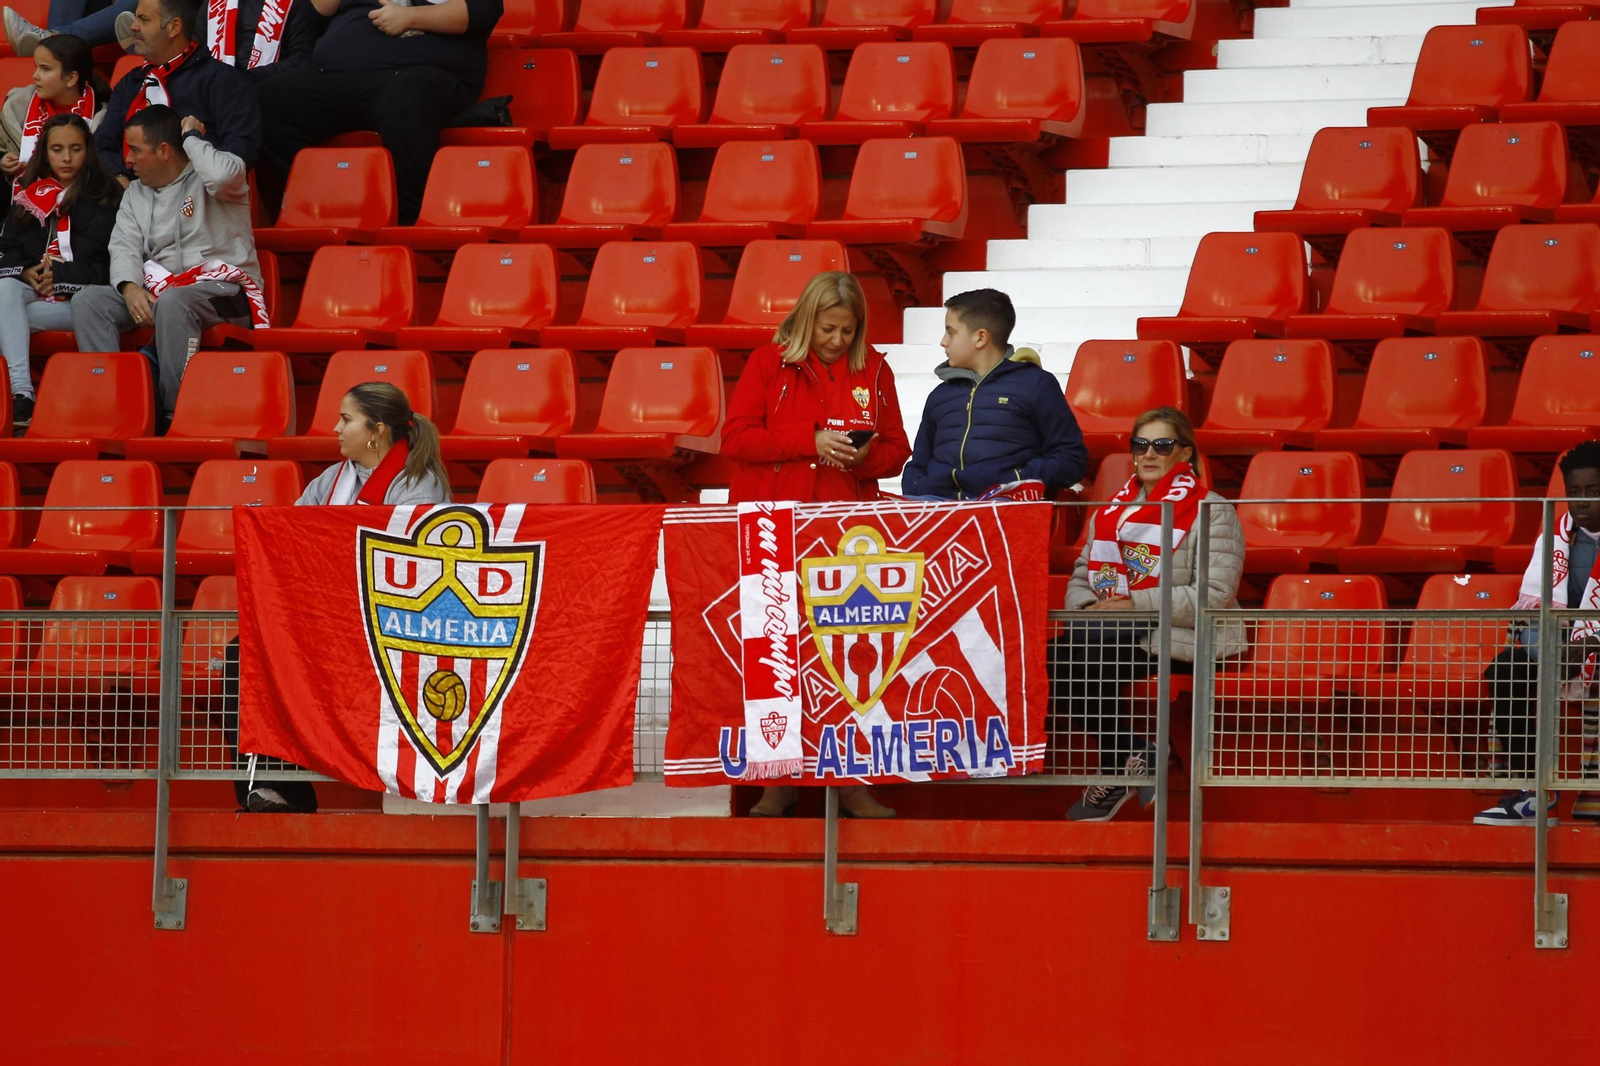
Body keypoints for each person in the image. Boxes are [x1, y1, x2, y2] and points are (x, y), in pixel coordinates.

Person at [722, 270, 911, 820]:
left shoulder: (874, 369)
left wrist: (862, 457)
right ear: (808, 320)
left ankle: (851, 784)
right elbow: (735, 438)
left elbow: (898, 450)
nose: (838, 341)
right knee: (776, 659)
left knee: (852, 656)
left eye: (848, 331)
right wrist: (808, 441)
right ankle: (777, 783)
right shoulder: (767, 362)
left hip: (847, 533)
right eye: (829, 328)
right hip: (774, 527)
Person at [223, 381, 452, 811]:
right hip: (329, 622)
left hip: (392, 633)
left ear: (377, 430)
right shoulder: (330, 480)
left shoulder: (419, 487)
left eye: (346, 420)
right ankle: (272, 792)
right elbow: (290, 543)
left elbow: (416, 571)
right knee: (247, 655)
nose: (335, 428)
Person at [1054, 407, 1246, 822]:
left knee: (1087, 654)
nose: (1149, 454)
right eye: (1140, 445)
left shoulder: (1212, 510)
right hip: (1113, 630)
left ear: (1185, 454)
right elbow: (1081, 577)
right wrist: (1091, 607)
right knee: (1054, 660)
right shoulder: (1111, 512)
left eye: (1162, 445)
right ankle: (1132, 755)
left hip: (1181, 632)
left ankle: (1117, 767)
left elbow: (1213, 596)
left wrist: (1136, 604)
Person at [71, 104, 264, 426]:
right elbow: (123, 245)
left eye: (134, 150)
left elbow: (222, 174)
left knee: (173, 303)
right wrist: (129, 287)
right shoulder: (136, 194)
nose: (127, 160)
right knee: (89, 302)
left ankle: (175, 414)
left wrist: (190, 138)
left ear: (164, 150)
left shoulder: (214, 178)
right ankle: (114, 407)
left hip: (226, 291)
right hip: (162, 291)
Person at [255, 0, 503, 226]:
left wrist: (410, 17)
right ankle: (326, 205)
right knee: (267, 100)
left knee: (405, 95)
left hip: (422, 73)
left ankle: (409, 221)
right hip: (335, 73)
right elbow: (310, 15)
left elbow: (482, 11)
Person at [1474, 441, 1600, 826]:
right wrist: (1550, 650)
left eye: (1592, 492)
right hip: (1562, 649)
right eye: (1574, 493)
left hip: (1592, 650)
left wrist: (1590, 644)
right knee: (1507, 668)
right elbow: (1532, 614)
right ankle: (1533, 791)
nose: (1581, 502)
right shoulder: (1555, 539)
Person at [901, 288, 1088, 500]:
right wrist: (918, 485)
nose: (943, 341)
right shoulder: (939, 395)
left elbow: (1071, 459)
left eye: (951, 332)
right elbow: (918, 464)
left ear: (981, 338)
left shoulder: (1037, 385)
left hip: (1006, 508)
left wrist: (1018, 480)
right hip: (937, 507)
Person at [0, 113, 120, 430]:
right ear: (45, 152)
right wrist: (25, 270)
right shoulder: (29, 193)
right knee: (5, 290)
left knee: (8, 316)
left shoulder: (108, 195)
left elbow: (116, 268)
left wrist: (65, 277)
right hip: (31, 294)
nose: (66, 158)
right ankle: (22, 393)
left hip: (81, 302)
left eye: (75, 148)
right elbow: (7, 248)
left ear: (88, 150)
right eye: (56, 149)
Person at [90, 0, 262, 183]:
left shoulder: (222, 80)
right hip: (130, 195)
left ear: (174, 27)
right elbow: (102, 145)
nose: (133, 26)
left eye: (143, 19)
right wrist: (119, 177)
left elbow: (241, 149)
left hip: (195, 198)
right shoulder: (131, 83)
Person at [0, 34, 107, 204]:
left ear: (71, 78)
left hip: (82, 205)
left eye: (45, 69)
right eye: (36, 67)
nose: (35, 75)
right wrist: (3, 159)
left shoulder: (101, 117)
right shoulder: (17, 104)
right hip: (19, 208)